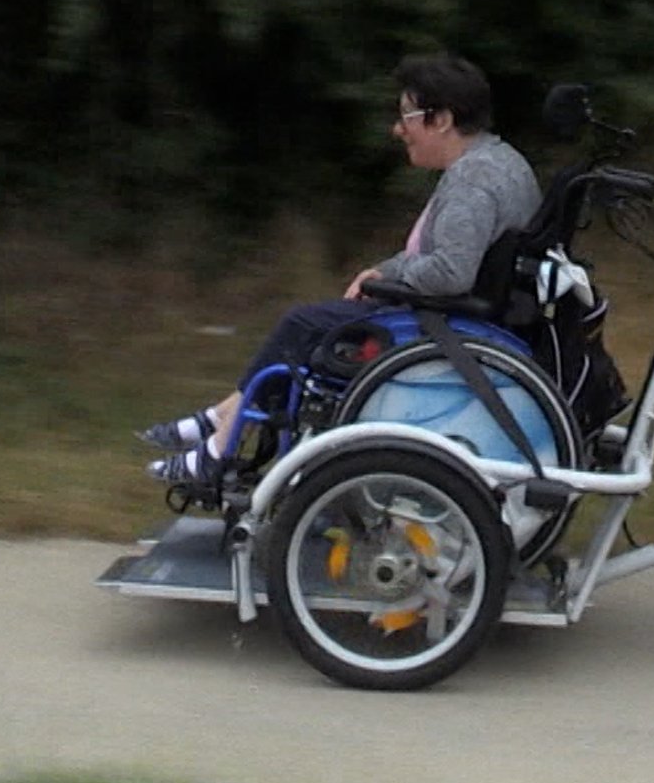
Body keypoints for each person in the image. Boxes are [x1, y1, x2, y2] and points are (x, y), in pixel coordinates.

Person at [140, 53, 543, 484]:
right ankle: (219, 422)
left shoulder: (474, 180)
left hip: (447, 324)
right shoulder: (498, 161)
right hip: (457, 313)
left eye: (406, 116)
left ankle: (218, 444)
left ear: (441, 119)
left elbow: (451, 272)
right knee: (310, 323)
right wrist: (381, 273)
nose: (397, 129)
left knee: (303, 324)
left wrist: (387, 280)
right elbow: (446, 260)